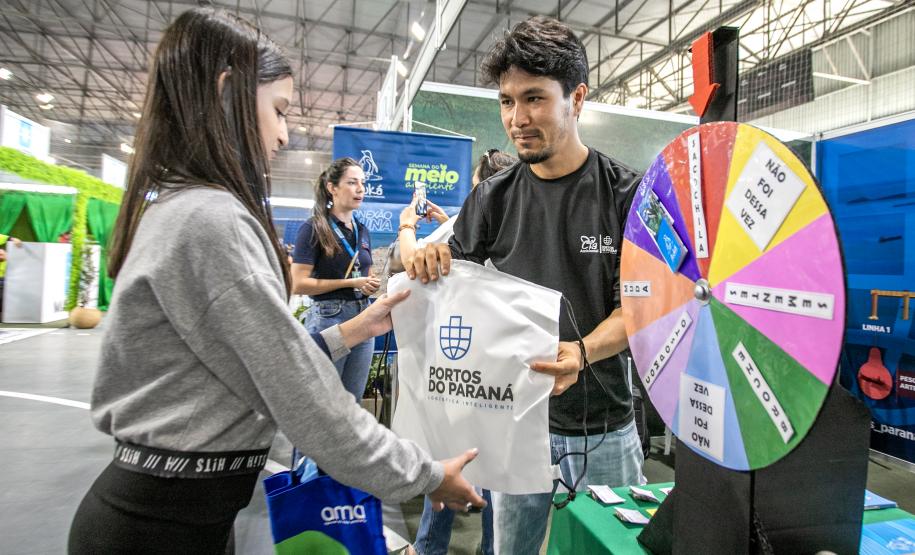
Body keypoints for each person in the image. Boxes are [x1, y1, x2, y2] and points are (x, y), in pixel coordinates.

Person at [68, 8, 484, 553]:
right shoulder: (211, 221)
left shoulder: (186, 209)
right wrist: (425, 475)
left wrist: (356, 329)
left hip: (178, 515)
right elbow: (304, 398)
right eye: (280, 110)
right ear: (228, 94)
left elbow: (250, 361)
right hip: (160, 527)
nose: (285, 135)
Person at [404, 16, 645, 554]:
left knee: (613, 547)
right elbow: (446, 287)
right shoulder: (492, 197)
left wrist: (582, 351)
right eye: (507, 102)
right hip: (515, 424)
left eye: (534, 98)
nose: (517, 119)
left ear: (576, 98)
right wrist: (431, 259)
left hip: (604, 425)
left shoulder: (625, 195)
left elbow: (637, 309)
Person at [401, 148, 517, 555]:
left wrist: (406, 225)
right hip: (505, 364)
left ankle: (428, 548)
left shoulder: (467, 220)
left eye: (474, 187)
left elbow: (411, 262)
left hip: (463, 361)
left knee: (451, 455)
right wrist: (446, 223)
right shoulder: (521, 222)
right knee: (497, 466)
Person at [291, 157, 380, 401]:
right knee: (325, 402)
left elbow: (366, 272)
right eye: (352, 182)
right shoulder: (314, 228)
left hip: (363, 316)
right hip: (329, 318)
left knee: (353, 401)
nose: (360, 189)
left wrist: (370, 285)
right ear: (332, 187)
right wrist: (349, 283)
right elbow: (298, 283)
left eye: (362, 183)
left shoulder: (362, 230)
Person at [397, 149, 517, 271]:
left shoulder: (470, 222)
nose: (471, 194)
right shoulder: (515, 229)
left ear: (486, 191)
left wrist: (407, 224)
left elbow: (414, 263)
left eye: (475, 187)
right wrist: (450, 226)